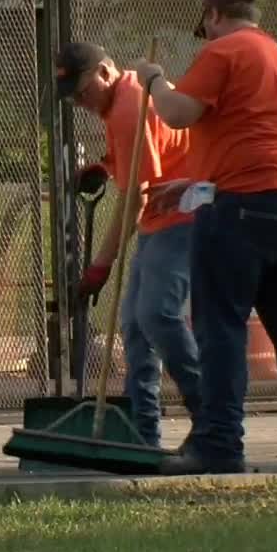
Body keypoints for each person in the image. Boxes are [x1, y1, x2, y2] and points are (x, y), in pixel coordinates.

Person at [134, 0, 277, 474]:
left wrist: (154, 80)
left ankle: (219, 442)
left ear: (213, 15)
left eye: (203, 25)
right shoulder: (276, 57)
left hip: (242, 206)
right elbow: (256, 134)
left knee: (220, 325)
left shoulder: (223, 49)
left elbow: (178, 113)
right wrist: (193, 181)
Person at [55, 43, 201, 448]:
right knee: (136, 327)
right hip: (162, 218)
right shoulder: (123, 96)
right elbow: (145, 158)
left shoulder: (126, 108)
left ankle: (211, 417)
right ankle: (144, 435)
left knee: (158, 316)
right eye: (72, 96)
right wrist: (104, 166)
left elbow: (137, 195)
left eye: (82, 91)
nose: (80, 102)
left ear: (104, 71)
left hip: (182, 217)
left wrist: (101, 264)